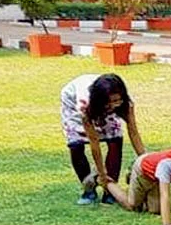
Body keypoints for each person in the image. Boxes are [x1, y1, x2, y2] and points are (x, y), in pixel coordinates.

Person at [59, 73, 145, 205]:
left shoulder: (125, 102)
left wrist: (145, 160)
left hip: (99, 103)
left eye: (118, 100)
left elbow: (133, 131)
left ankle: (110, 192)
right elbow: (94, 141)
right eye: (111, 102)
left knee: (115, 139)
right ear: (102, 100)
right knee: (76, 144)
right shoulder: (85, 105)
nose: (115, 105)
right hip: (73, 102)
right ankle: (89, 189)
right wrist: (101, 172)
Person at [104, 146, 171, 225]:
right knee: (133, 205)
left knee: (155, 210)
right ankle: (105, 181)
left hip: (156, 176)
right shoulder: (166, 165)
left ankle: (140, 190)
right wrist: (168, 224)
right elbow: (164, 194)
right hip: (143, 171)